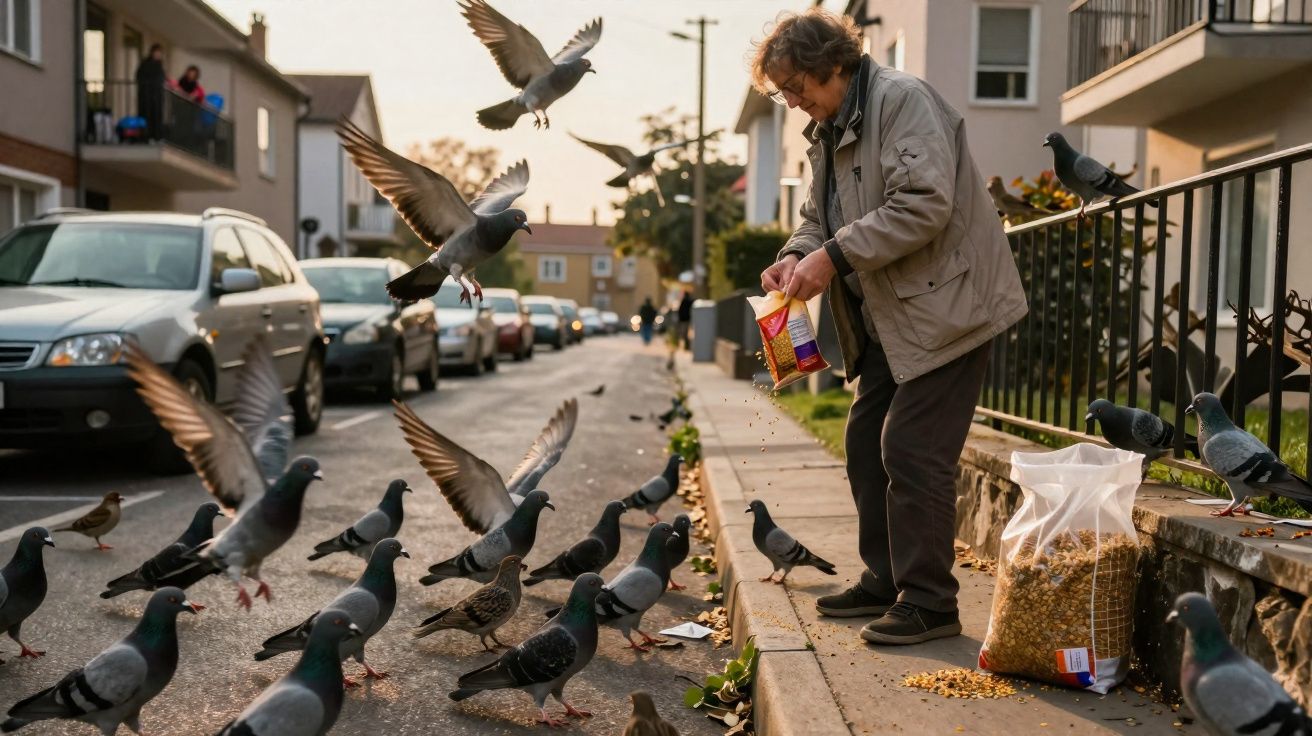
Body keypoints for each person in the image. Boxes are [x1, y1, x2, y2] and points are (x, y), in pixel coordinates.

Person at [753, 9, 1026, 646]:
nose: (793, 104)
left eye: (797, 88)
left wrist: (832, 257)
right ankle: (888, 577)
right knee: (863, 439)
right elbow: (815, 217)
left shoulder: (903, 102)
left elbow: (924, 203)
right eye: (782, 94)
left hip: (950, 307)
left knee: (911, 447)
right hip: (889, 312)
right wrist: (797, 253)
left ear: (833, 66)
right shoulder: (828, 127)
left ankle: (930, 602)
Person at [134, 44, 166, 140]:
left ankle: (156, 136)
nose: (158, 55)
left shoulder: (159, 64)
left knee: (157, 116)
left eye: (160, 53)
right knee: (147, 116)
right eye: (157, 52)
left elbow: (161, 78)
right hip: (147, 96)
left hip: (157, 96)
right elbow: (140, 77)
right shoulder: (146, 64)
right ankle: (146, 136)